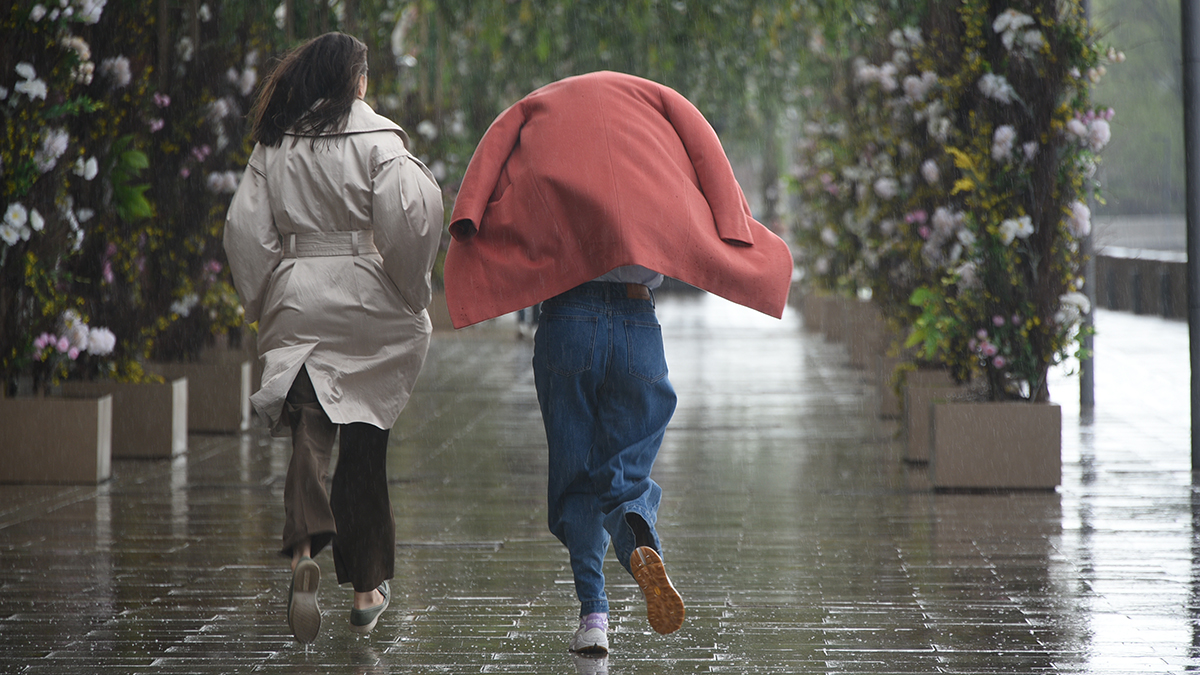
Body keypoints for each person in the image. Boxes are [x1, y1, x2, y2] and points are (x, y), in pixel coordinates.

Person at [443, 71, 793, 654]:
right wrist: (733, 224)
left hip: (566, 322)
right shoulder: (658, 123)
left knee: (575, 473)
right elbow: (708, 161)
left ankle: (593, 618)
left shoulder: (541, 125)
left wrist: (471, 222)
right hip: (637, 324)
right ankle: (635, 534)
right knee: (624, 467)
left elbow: (487, 173)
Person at [223, 32, 443, 644]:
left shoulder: (276, 144)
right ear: (358, 82)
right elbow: (410, 221)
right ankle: (369, 587)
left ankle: (303, 554)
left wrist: (265, 294)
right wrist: (409, 291)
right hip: (368, 297)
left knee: (309, 430)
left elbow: (246, 229)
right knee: (366, 442)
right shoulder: (381, 142)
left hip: (299, 294)